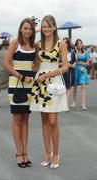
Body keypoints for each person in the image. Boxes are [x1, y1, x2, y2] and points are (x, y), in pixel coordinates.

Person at [30, 15, 68, 169]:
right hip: (39, 84)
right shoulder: (37, 44)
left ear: (54, 27)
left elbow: (65, 67)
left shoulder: (61, 44)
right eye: (43, 26)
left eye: (48, 26)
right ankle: (47, 152)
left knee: (53, 121)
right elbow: (36, 66)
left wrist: (47, 75)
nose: (45, 28)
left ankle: (56, 153)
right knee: (44, 120)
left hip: (53, 84)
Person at [3, 18, 36, 168]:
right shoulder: (15, 43)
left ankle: (25, 152)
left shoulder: (34, 45)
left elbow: (36, 65)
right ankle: (19, 153)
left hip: (30, 87)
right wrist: (21, 76)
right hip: (16, 85)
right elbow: (6, 64)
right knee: (17, 118)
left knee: (26, 118)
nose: (28, 31)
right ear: (21, 29)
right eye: (25, 28)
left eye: (30, 28)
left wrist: (35, 72)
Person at [71, 39, 89, 110]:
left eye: (80, 43)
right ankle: (74, 101)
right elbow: (74, 60)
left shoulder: (86, 52)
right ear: (76, 45)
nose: (79, 45)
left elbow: (87, 63)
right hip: (75, 70)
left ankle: (83, 104)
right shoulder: (74, 52)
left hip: (83, 71)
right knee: (75, 86)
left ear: (82, 44)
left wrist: (79, 63)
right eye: (78, 44)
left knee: (83, 85)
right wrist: (75, 51)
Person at [63, 37, 76, 110]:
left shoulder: (72, 51)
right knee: (62, 87)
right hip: (62, 71)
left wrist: (73, 64)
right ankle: (62, 103)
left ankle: (65, 104)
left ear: (68, 43)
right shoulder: (60, 51)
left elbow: (74, 61)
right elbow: (58, 62)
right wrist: (66, 64)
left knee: (68, 87)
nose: (65, 43)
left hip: (70, 72)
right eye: (63, 42)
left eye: (66, 42)